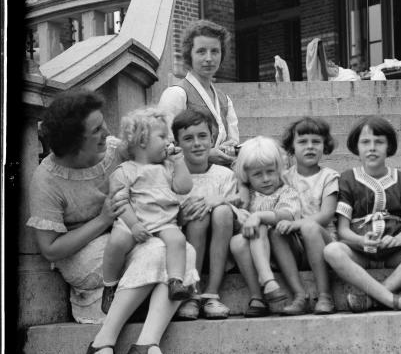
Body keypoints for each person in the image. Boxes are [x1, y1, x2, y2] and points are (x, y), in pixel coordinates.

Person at [26, 89, 196, 354]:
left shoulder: (116, 149)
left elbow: (156, 156)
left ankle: (147, 343)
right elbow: (51, 249)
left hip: (132, 233)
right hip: (84, 252)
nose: (106, 130)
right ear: (74, 142)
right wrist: (104, 219)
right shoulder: (46, 180)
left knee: (185, 250)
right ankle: (103, 341)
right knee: (161, 251)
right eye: (96, 129)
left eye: (102, 123)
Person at [323, 115, 401, 312]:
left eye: (379, 142)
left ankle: (374, 297)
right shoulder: (347, 179)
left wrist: (397, 240)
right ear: (356, 147)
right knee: (332, 251)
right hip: (360, 251)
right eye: (365, 142)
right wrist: (361, 240)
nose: (372, 148)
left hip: (394, 252)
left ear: (389, 146)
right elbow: (343, 230)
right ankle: (392, 300)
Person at [101, 107, 193, 313]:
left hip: (163, 220)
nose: (169, 141)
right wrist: (133, 225)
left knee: (177, 240)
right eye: (162, 136)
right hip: (134, 220)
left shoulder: (168, 167)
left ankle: (176, 281)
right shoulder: (125, 170)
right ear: (142, 140)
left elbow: (184, 187)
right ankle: (110, 286)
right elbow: (120, 202)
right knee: (117, 242)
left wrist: (179, 163)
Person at [171, 108, 239, 320]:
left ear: (212, 139)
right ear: (177, 144)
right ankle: (192, 293)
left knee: (221, 211)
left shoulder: (225, 175)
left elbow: (237, 210)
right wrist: (182, 216)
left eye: (202, 136)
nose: (197, 143)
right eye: (188, 138)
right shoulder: (170, 176)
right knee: (198, 215)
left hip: (221, 247)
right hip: (185, 251)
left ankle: (212, 293)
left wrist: (218, 201)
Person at [270, 116, 340, 315]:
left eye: (316, 142)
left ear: (325, 146)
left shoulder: (329, 176)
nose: (310, 147)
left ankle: (325, 295)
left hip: (324, 243)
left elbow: (326, 215)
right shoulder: (284, 177)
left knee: (309, 227)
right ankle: (300, 295)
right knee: (275, 232)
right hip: (297, 247)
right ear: (291, 148)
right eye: (302, 142)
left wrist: (296, 224)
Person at [229, 136, 301, 317]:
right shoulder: (247, 195)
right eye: (257, 174)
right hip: (253, 254)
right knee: (237, 242)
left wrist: (258, 216)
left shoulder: (286, 190)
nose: (266, 178)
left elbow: (287, 214)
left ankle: (268, 280)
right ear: (247, 176)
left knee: (261, 225)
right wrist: (242, 214)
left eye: (270, 171)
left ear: (279, 168)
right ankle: (257, 296)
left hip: (284, 249)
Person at [158, 19, 239, 167]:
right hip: (186, 181)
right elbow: (162, 148)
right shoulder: (176, 94)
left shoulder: (225, 100)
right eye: (201, 51)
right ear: (190, 55)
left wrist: (231, 149)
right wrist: (207, 155)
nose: (209, 58)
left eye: (215, 51)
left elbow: (234, 142)